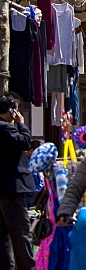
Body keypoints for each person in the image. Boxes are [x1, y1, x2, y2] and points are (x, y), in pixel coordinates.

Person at [0, 96, 33, 269]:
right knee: (21, 234)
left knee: (3, 237)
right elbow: (25, 142)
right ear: (12, 110)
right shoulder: (5, 128)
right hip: (11, 188)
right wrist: (22, 123)